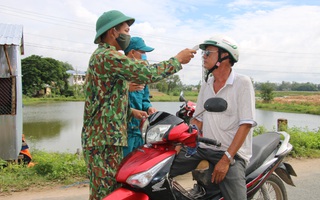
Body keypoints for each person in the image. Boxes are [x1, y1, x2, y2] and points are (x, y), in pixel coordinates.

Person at [81, 10, 196, 199]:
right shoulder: (107, 57)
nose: (128, 35)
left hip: (106, 138)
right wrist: (177, 60)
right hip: (103, 140)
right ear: (113, 32)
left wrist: (131, 112)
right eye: (126, 30)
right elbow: (145, 73)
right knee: (106, 193)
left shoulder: (105, 57)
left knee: (113, 189)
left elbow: (105, 102)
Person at [170, 35, 257, 200]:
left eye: (208, 53)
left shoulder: (242, 83)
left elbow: (245, 125)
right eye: (204, 53)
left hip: (231, 153)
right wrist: (182, 142)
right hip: (204, 148)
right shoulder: (207, 83)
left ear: (225, 57)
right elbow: (197, 120)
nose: (203, 56)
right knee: (163, 168)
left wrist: (226, 159)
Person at [123, 37, 157, 157]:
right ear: (132, 52)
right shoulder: (119, 73)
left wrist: (148, 108)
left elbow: (144, 99)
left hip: (139, 131)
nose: (145, 56)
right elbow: (110, 101)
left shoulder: (142, 76)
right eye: (142, 52)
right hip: (123, 133)